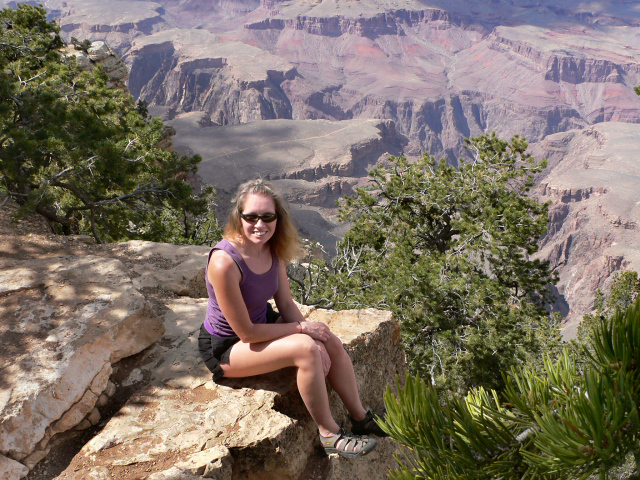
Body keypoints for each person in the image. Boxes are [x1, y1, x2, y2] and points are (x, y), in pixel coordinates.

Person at [198, 179, 387, 458]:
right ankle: (329, 434)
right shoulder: (225, 261)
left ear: (278, 218)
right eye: (250, 216)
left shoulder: (273, 250)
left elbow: (285, 303)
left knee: (325, 337)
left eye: (267, 216)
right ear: (238, 217)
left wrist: (311, 332)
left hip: (262, 323)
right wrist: (302, 332)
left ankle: (360, 417)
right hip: (227, 347)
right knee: (306, 348)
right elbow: (248, 333)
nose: (259, 224)